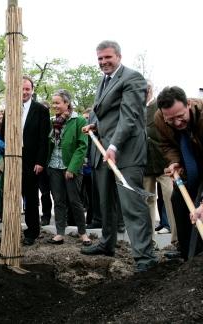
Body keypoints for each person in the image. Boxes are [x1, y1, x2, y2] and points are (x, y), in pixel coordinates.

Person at [81, 40, 157, 273]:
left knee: (131, 205)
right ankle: (107, 243)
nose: (103, 62)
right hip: (104, 151)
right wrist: (94, 125)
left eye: (108, 58)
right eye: (100, 59)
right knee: (107, 204)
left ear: (119, 57)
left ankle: (145, 257)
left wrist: (114, 145)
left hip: (126, 153)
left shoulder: (133, 79)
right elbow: (105, 114)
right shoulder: (103, 81)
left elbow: (130, 116)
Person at [0, 76, 50, 246]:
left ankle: (32, 232)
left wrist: (40, 162)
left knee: (31, 198)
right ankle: (11, 229)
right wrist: (3, 157)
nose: (24, 92)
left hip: (32, 162)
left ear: (32, 90)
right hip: (12, 159)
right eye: (21, 89)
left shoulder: (41, 111)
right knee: (12, 197)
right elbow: (2, 136)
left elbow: (44, 139)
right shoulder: (10, 109)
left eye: (27, 89)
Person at [154, 86, 203, 259]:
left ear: (188, 104)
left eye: (180, 117)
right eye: (171, 119)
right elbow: (166, 144)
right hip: (188, 163)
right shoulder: (160, 118)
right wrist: (174, 161)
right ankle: (188, 254)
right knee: (179, 200)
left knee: (200, 205)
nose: (177, 123)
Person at [46, 90, 91, 246]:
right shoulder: (53, 121)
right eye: (53, 103)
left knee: (75, 201)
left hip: (70, 167)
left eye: (58, 103)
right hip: (54, 166)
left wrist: (72, 168)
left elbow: (82, 146)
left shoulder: (79, 121)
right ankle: (60, 233)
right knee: (58, 201)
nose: (55, 106)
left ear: (67, 103)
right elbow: (49, 143)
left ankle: (82, 233)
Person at [143, 81, 177, 242]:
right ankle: (149, 239)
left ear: (149, 90)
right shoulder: (135, 109)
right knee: (148, 200)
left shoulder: (160, 106)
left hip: (164, 162)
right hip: (145, 163)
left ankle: (177, 239)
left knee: (170, 197)